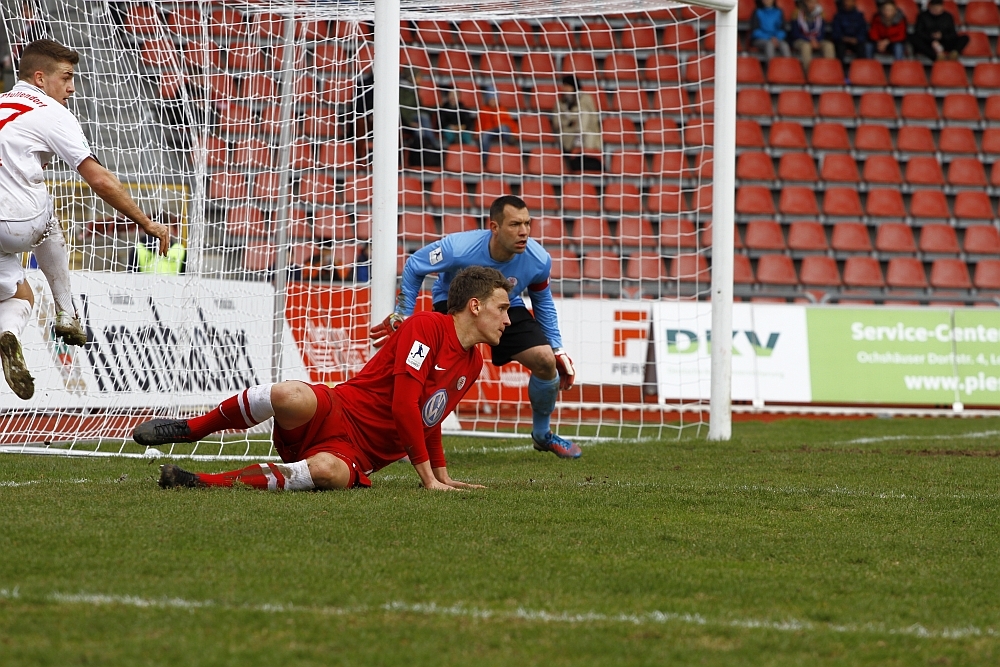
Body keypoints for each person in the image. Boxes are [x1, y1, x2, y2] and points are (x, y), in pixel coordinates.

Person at [133, 266, 512, 492]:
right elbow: (403, 406)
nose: (508, 320)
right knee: (289, 394)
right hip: (339, 410)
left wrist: (443, 476)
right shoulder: (427, 326)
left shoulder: (472, 363)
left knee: (326, 472)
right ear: (475, 306)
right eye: (502, 308)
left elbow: (431, 418)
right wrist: (427, 478)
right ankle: (191, 429)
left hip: (357, 455)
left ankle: (199, 481)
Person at [0, 39, 168, 399]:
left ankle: (8, 333)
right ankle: (67, 313)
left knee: (19, 294)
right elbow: (99, 180)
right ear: (40, 79)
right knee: (49, 217)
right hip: (16, 222)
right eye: (66, 77)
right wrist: (145, 221)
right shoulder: (51, 112)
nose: (72, 87)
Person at [370, 195, 581, 459]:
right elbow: (415, 265)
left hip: (504, 305)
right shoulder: (458, 248)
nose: (524, 231)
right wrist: (403, 313)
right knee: (434, 374)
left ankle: (542, 434)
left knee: (545, 361)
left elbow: (543, 302)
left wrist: (557, 348)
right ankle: (403, 435)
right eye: (515, 224)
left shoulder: (538, 259)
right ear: (494, 227)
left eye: (527, 223)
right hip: (456, 303)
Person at [552, 75, 602, 173]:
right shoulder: (560, 103)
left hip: (587, 131)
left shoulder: (586, 99)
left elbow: (593, 118)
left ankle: (580, 138)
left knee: (585, 115)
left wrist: (577, 119)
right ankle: (578, 140)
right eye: (564, 86)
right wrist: (570, 121)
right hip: (569, 133)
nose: (565, 89)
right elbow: (557, 123)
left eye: (567, 86)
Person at [790, 0, 836, 66]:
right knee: (806, 46)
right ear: (805, 3)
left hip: (817, 40)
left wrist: (816, 41)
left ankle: (829, 69)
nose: (812, 5)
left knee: (829, 46)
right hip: (801, 40)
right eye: (810, 3)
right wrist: (810, 40)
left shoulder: (820, 14)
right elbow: (795, 33)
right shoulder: (797, 14)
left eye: (814, 3)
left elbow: (822, 32)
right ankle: (808, 71)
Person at [478, 84, 519, 158]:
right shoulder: (483, 110)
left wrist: (515, 134)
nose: (493, 101)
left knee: (504, 128)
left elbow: (509, 122)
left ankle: (511, 144)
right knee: (484, 136)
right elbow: (480, 123)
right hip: (489, 130)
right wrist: (478, 133)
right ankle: (485, 159)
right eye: (491, 99)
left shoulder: (502, 109)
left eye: (494, 99)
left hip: (500, 129)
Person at [436, 82, 476, 148]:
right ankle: (453, 146)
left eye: (455, 95)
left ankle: (469, 149)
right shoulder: (443, 109)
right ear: (447, 96)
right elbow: (441, 123)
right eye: (451, 95)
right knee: (447, 132)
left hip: (462, 129)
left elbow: (468, 123)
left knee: (467, 136)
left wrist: (462, 127)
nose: (453, 97)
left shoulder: (463, 108)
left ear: (459, 97)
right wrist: (451, 127)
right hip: (449, 130)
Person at [830, 0, 869, 66]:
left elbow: (862, 31)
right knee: (839, 48)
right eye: (845, 1)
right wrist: (843, 38)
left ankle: (862, 68)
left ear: (853, 2)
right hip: (842, 40)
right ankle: (839, 69)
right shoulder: (838, 16)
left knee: (862, 48)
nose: (847, 3)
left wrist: (857, 39)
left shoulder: (859, 16)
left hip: (855, 41)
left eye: (849, 1)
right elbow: (836, 32)